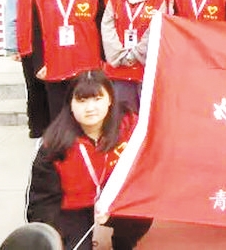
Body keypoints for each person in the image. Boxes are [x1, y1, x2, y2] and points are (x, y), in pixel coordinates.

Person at [27, 70, 152, 250]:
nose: (90, 108)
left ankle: (123, 243)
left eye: (97, 99)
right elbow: (41, 201)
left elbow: (147, 170)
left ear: (110, 99)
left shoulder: (130, 128)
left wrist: (115, 203)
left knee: (141, 211)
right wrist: (49, 237)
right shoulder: (54, 144)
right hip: (73, 207)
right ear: (70, 105)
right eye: (82, 100)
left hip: (113, 201)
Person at [32, 0, 105, 119]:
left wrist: (104, 59)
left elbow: (102, 26)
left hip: (87, 60)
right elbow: (35, 29)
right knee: (59, 114)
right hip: (55, 61)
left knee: (87, 112)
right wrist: (39, 62)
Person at [101, 0, 166, 111]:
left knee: (147, 111)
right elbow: (107, 27)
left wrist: (136, 53)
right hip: (120, 63)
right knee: (123, 112)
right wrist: (120, 54)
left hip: (146, 63)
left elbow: (157, 28)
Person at [5, 0, 52, 138]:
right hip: (30, 42)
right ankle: (38, 128)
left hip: (56, 41)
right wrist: (12, 46)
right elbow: (11, 15)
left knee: (56, 87)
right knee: (34, 87)